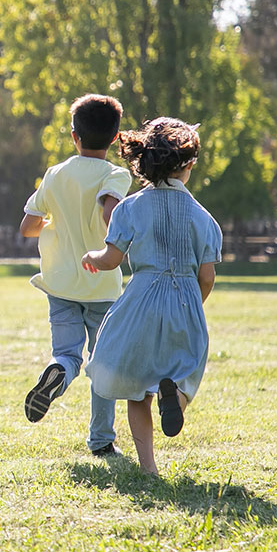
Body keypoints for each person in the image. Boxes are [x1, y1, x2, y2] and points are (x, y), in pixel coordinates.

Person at [83, 117, 222, 475]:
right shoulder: (204, 218)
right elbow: (207, 276)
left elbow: (112, 259)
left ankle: (149, 469)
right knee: (183, 372)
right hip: (186, 300)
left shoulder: (129, 208)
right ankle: (174, 397)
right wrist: (192, 303)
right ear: (188, 164)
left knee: (135, 388)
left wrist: (91, 257)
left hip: (141, 299)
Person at [19, 94, 131, 456]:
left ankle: (57, 372)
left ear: (74, 136)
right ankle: (101, 440)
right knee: (103, 363)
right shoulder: (116, 174)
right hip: (100, 283)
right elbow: (109, 213)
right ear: (115, 138)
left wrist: (58, 223)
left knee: (67, 354)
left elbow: (28, 226)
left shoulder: (55, 173)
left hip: (60, 282)